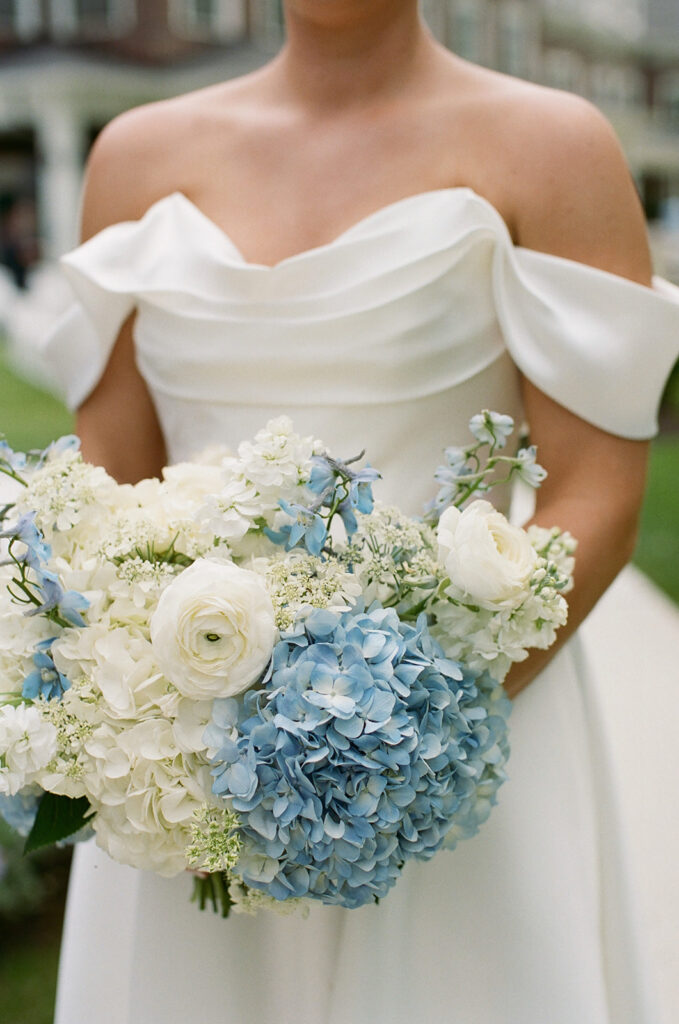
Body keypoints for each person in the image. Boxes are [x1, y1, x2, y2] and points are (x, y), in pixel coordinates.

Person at [41, 2, 679, 1022]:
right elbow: (111, 489)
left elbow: (595, 483)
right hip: (195, 768)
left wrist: (405, 735)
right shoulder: (133, 156)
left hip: (456, 743)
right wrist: (169, 724)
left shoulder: (553, 146)